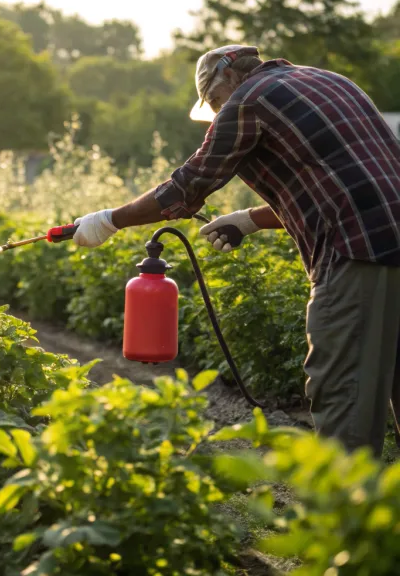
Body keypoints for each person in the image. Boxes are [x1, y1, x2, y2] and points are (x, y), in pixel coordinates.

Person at [72, 44, 400, 457]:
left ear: (228, 78)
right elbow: (347, 185)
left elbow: (184, 189)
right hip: (385, 240)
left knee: (344, 398)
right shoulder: (331, 82)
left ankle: (345, 517)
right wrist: (249, 219)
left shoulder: (248, 101)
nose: (217, 111)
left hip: (356, 252)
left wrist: (108, 220)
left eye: (213, 102)